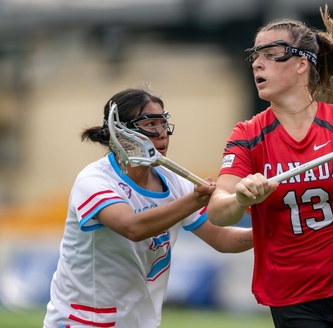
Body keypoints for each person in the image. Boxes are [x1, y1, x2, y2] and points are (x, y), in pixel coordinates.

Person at [207, 6, 333, 328]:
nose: (257, 63)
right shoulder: (247, 135)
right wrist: (240, 199)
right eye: (254, 56)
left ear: (302, 64)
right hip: (294, 295)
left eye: (271, 54)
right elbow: (218, 212)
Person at [43, 88, 253, 328]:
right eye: (151, 124)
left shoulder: (176, 182)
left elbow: (221, 238)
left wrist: (268, 231)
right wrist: (194, 200)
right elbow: (132, 227)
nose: (162, 133)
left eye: (163, 123)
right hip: (82, 321)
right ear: (121, 132)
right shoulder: (94, 180)